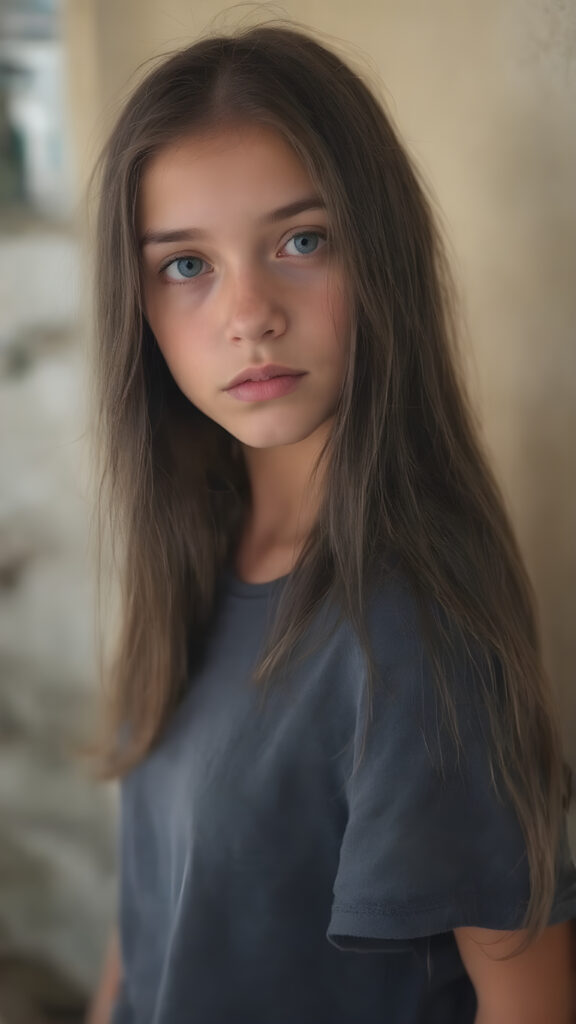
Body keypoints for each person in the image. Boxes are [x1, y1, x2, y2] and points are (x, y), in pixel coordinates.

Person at [87, 21, 576, 1024]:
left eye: (301, 241)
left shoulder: (408, 632)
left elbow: (527, 999)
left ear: (380, 257)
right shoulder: (191, 562)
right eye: (186, 265)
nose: (250, 311)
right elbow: (155, 927)